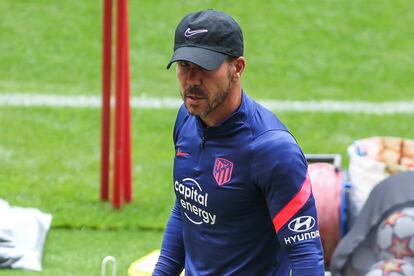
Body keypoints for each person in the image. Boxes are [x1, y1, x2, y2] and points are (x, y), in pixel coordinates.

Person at [153, 9, 325, 275]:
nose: (192, 80)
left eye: (205, 67)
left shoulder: (273, 150)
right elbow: (186, 210)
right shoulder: (186, 120)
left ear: (238, 68)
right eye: (184, 66)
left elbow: (305, 256)